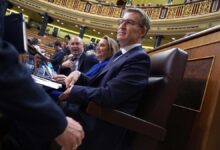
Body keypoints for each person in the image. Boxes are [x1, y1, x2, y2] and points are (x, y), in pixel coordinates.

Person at [60, 8, 151, 150]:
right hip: (91, 113)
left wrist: (74, 91)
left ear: (142, 31)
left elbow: (109, 96)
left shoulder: (139, 58)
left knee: (45, 108)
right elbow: (95, 83)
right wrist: (78, 74)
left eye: (129, 22)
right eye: (121, 21)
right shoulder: (120, 55)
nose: (122, 25)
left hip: (101, 124)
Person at [0, 41, 84, 150]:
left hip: (72, 97)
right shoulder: (69, 57)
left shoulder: (87, 59)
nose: (74, 46)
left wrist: (56, 120)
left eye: (77, 44)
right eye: (72, 44)